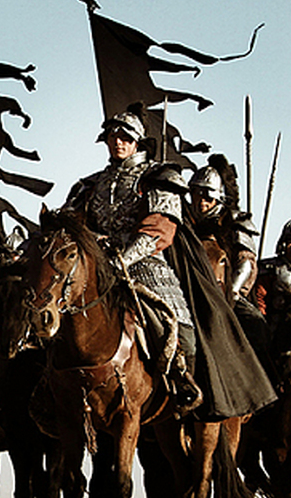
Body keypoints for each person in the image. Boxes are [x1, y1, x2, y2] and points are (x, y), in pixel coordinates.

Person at [61, 114, 202, 409]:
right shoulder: (90, 184)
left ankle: (181, 381)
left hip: (145, 267)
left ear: (137, 141)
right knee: (56, 316)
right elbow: (68, 226)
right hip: (97, 268)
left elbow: (158, 230)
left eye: (124, 137)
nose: (118, 142)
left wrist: (123, 259)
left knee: (174, 327)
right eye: (113, 137)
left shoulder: (158, 178)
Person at [187, 155, 258, 306]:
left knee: (255, 324)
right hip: (187, 286)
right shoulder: (184, 220)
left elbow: (246, 263)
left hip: (227, 291)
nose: (202, 203)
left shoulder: (233, 223)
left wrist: (233, 292)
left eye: (208, 198)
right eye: (197, 195)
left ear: (217, 199)